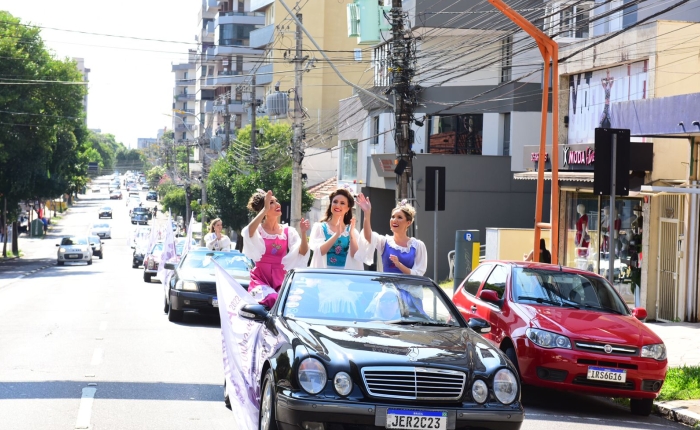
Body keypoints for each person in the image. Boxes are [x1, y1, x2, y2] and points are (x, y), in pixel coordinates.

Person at [242, 190, 310, 308]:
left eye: (276, 201)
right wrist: (265, 209)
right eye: (271, 202)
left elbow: (303, 252)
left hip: (280, 279)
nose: (277, 204)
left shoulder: (288, 231)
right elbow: (247, 233)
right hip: (260, 278)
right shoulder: (258, 230)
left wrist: (304, 233)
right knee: (272, 298)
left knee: (290, 303)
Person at [356, 194, 427, 275]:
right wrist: (367, 212)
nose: (394, 220)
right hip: (388, 286)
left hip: (409, 287)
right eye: (393, 217)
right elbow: (368, 236)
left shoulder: (417, 245)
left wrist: (399, 265)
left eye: (399, 217)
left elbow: (419, 273)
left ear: (408, 223)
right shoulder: (384, 242)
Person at [309, 188, 364, 269]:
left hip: (345, 275)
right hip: (324, 273)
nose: (338, 205)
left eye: (342, 203)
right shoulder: (320, 227)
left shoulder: (351, 231)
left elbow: (355, 255)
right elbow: (319, 251)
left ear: (348, 208)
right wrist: (336, 234)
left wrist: (351, 233)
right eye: (335, 202)